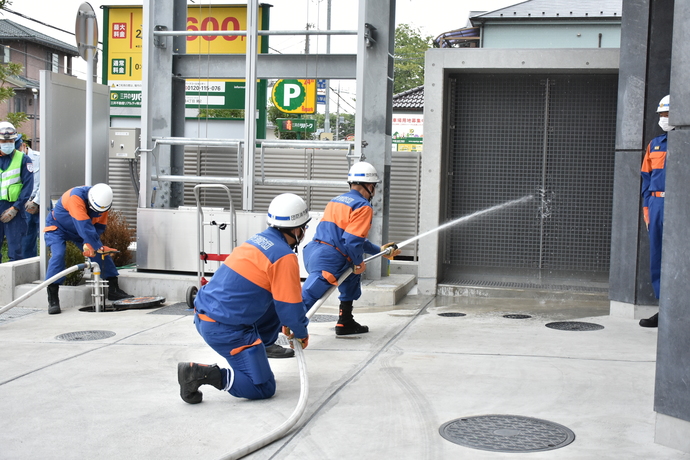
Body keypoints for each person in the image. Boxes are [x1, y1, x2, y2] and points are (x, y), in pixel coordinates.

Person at [178, 193, 311, 404]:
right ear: (297, 229)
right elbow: (291, 307)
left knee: (273, 299)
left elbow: (279, 302)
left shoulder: (257, 241)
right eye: (304, 228)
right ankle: (200, 375)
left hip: (206, 313)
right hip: (225, 329)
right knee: (262, 387)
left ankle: (262, 347)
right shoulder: (284, 257)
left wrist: (287, 322)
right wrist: (301, 332)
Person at [301, 161, 401, 336]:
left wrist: (381, 251)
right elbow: (352, 241)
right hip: (330, 259)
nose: (374, 191)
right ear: (369, 186)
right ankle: (276, 335)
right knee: (308, 297)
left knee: (351, 276)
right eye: (374, 187)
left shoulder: (336, 201)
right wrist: (358, 262)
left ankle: (345, 321)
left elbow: (352, 239)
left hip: (315, 251)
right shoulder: (363, 206)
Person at [44, 183, 132, 315]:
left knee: (100, 252)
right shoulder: (75, 197)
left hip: (80, 231)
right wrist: (90, 244)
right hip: (58, 227)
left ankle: (114, 290)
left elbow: (99, 228)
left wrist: (94, 247)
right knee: (58, 255)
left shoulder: (103, 203)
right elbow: (84, 226)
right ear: (90, 201)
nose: (98, 213)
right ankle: (53, 299)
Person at [639, 95, 672, 328]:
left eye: (666, 114)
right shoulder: (655, 144)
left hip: (681, 206)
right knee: (658, 258)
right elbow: (646, 180)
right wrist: (648, 211)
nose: (663, 119)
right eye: (661, 115)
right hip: (658, 205)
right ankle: (665, 310)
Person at [0, 122, 33, 262]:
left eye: (10, 140)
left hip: (14, 208)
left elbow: (28, 186)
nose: (7, 143)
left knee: (15, 250)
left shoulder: (23, 159)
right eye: (4, 141)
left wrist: (15, 208)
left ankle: (14, 283)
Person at [16, 136, 40, 258]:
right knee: (26, 241)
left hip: (41, 203)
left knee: (49, 238)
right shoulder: (14, 160)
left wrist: (36, 201)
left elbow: (46, 181)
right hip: (25, 206)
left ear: (24, 145)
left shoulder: (39, 157)